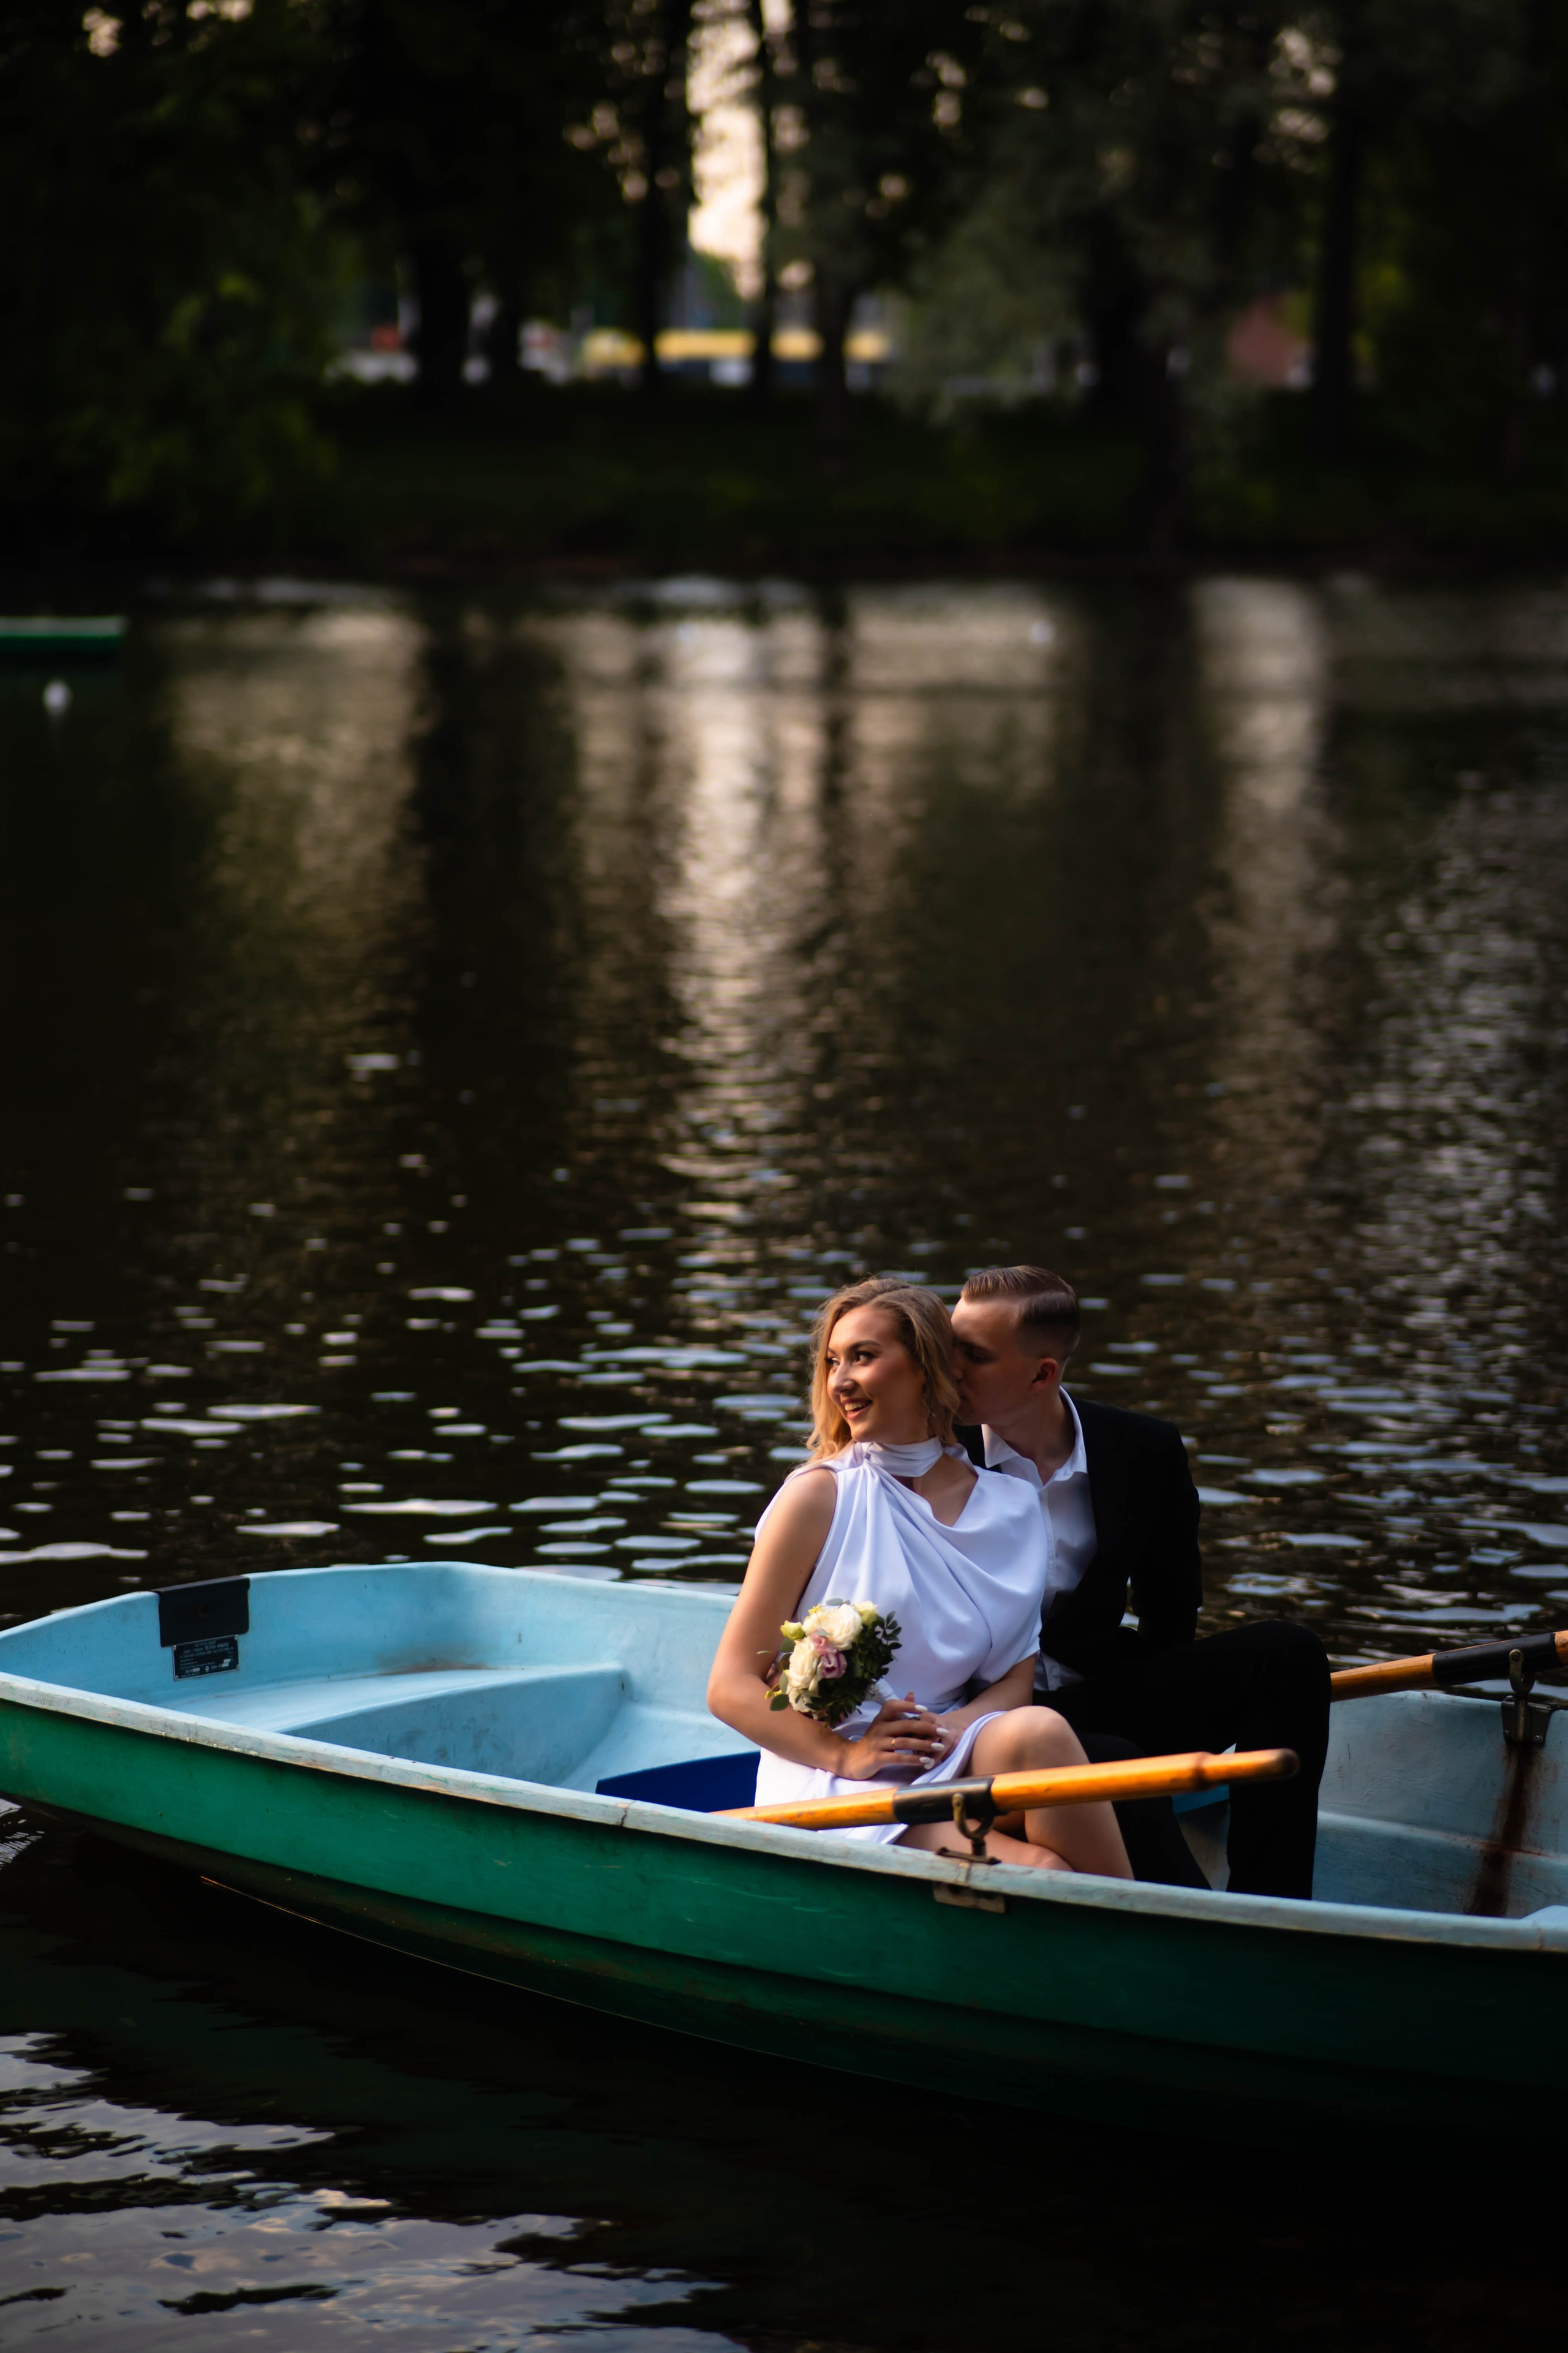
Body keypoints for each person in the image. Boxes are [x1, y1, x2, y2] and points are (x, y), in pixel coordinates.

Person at [707, 1277, 1132, 1878]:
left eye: (863, 1355)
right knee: (1043, 1869)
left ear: (926, 1366)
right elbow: (730, 1685)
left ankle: (1148, 1934)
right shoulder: (819, 1497)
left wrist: (946, 1729)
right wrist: (846, 1754)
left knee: (1041, 1729)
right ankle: (1137, 1946)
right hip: (837, 1776)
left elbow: (1014, 1679)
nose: (840, 1380)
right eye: (833, 1360)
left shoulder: (1011, 1504)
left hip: (948, 1746)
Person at [951, 1264, 1330, 1900]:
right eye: (947, 1346)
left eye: (973, 1356)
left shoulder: (1142, 1448)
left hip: (1094, 1690)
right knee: (1107, 1758)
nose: (948, 1370)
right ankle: (1197, 1930)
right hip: (988, 1721)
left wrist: (1152, 1714)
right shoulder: (933, 1446)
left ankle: (1275, 1902)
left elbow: (1171, 1610)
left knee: (1288, 1655)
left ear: (1041, 1372)